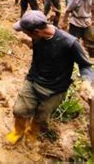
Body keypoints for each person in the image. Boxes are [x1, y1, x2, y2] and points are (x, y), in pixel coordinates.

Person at [6, 10, 93, 145]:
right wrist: (28, 43)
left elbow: (85, 65)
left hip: (55, 89)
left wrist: (86, 82)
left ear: (36, 32)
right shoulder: (38, 37)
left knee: (41, 118)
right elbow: (47, 52)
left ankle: (32, 132)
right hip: (34, 80)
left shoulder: (69, 43)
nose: (25, 35)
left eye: (26, 32)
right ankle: (18, 131)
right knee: (19, 110)